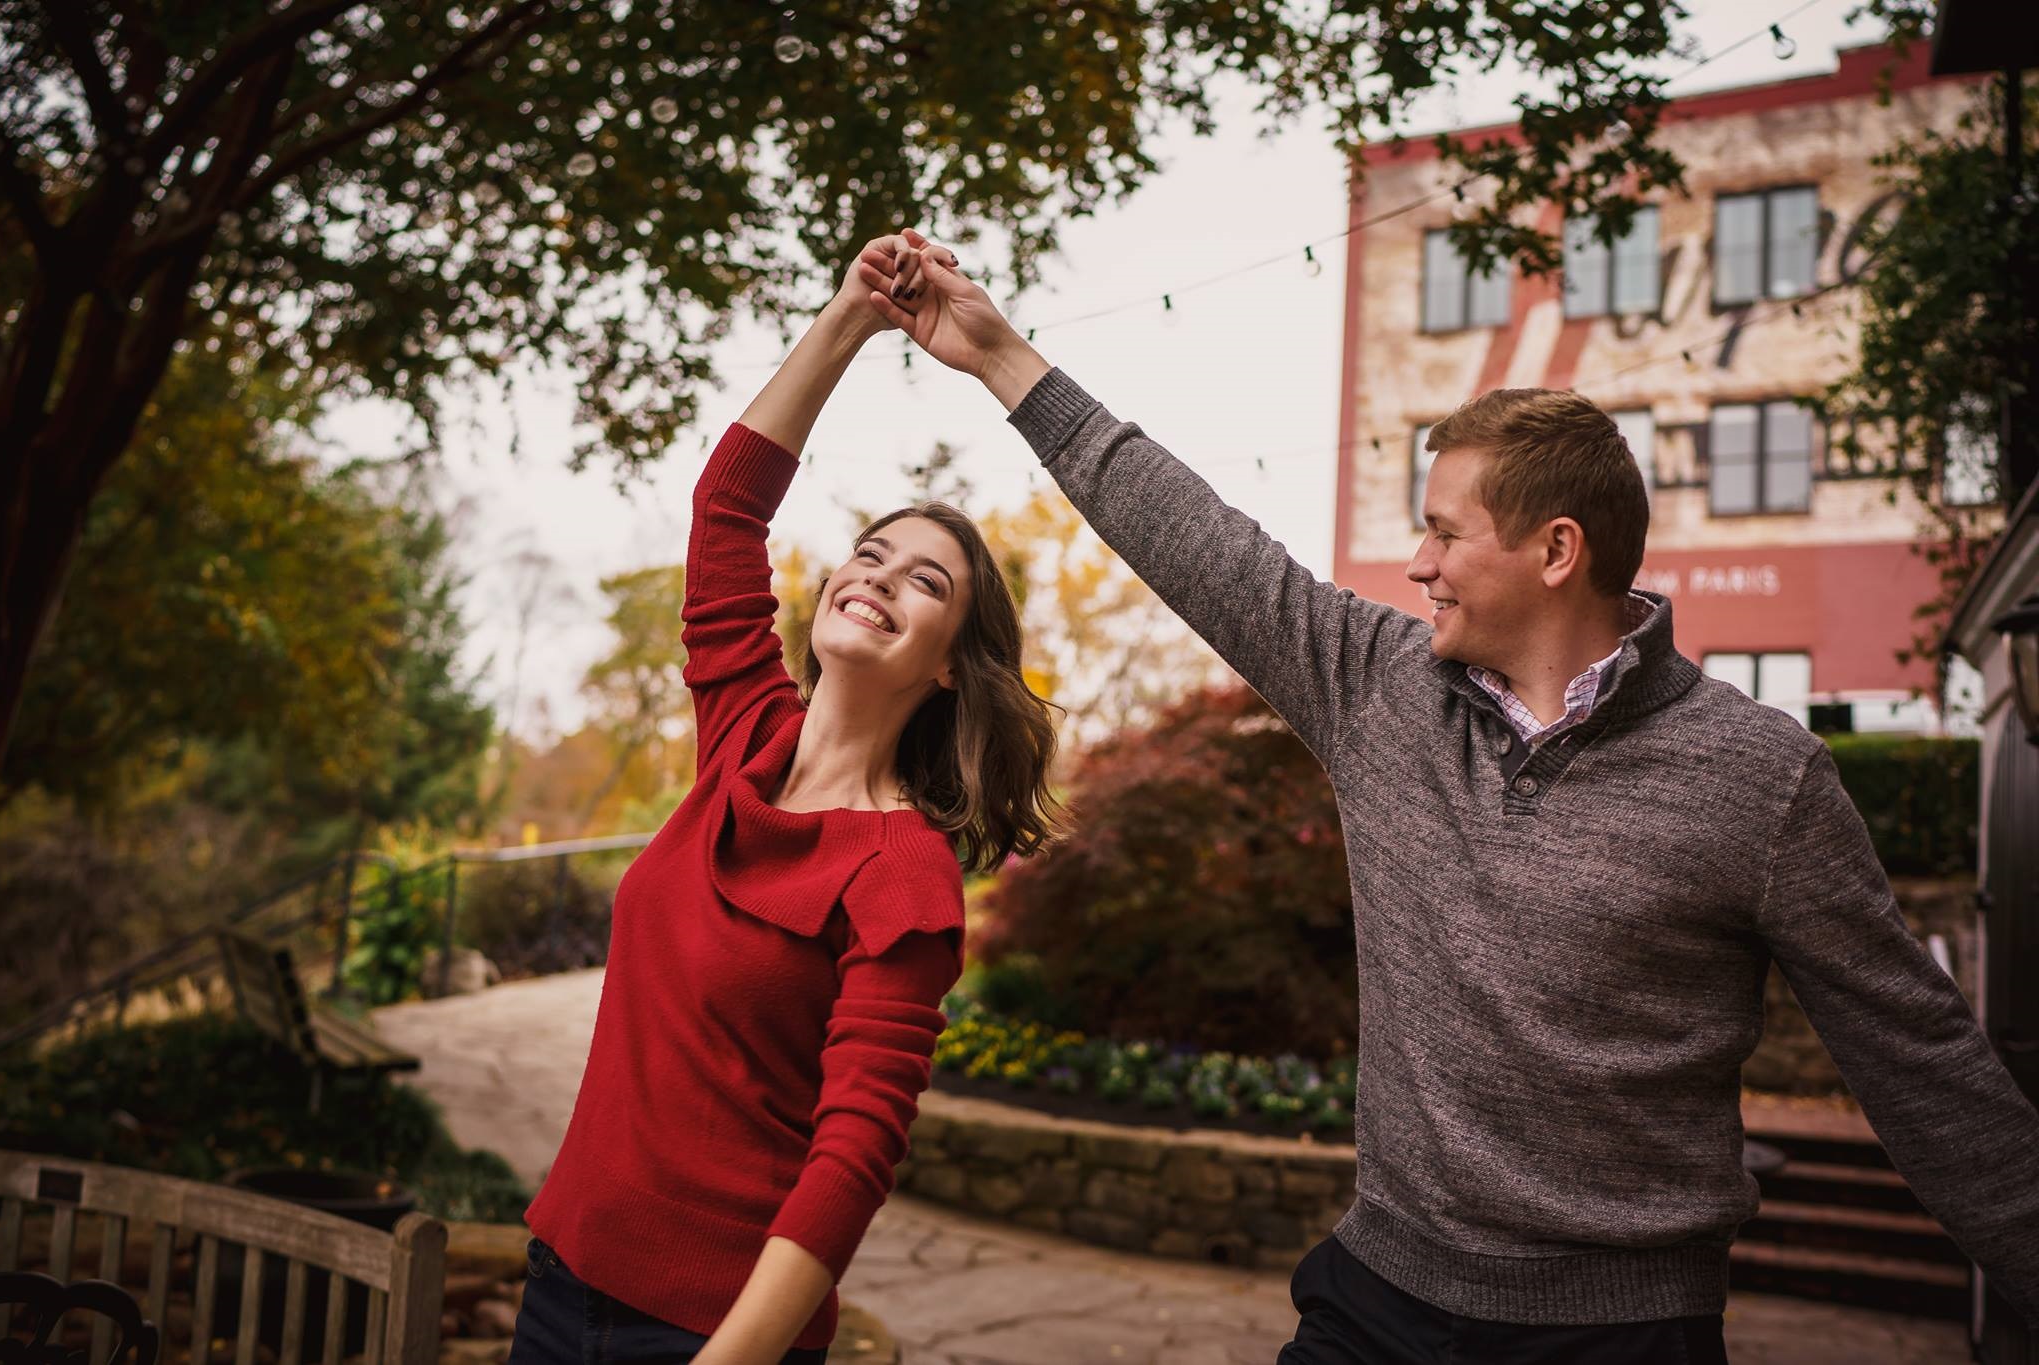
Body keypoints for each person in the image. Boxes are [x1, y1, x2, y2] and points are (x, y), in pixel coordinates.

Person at [860, 229, 2039, 1364]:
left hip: (1619, 1333)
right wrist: (998, 357)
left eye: (1440, 533)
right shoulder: (1379, 689)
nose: (1415, 565)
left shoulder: (1757, 779)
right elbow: (1200, 544)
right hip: (1379, 1300)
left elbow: (1920, 1060)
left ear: (1555, 551)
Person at [509, 236, 1061, 1365]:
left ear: (949, 663)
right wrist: (851, 316)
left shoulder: (902, 874)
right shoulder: (743, 742)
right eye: (869, 553)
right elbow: (726, 513)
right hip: (558, 1273)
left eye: (925, 582)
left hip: (702, 1332)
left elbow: (853, 1154)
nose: (877, 576)